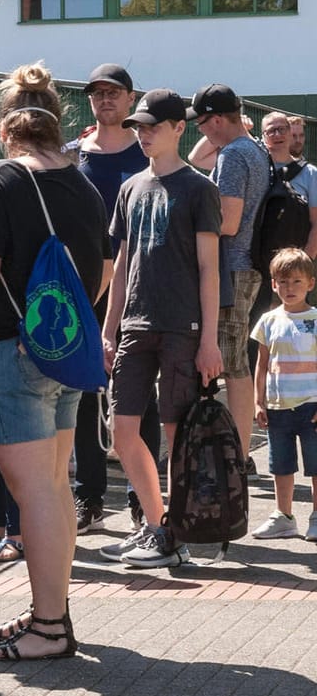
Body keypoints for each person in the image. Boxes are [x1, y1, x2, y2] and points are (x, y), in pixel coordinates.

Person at [0, 62, 111, 661]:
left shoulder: (1, 177)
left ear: (5, 124)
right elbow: (104, 269)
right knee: (54, 490)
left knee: (35, 495)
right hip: (59, 355)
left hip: (6, 355)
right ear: (55, 119)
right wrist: (56, 329)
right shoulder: (84, 183)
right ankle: (52, 613)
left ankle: (48, 627)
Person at [96, 88, 223, 568]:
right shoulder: (131, 188)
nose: (144, 134)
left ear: (178, 129)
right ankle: (154, 525)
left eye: (152, 126)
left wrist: (209, 339)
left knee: (176, 434)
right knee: (122, 428)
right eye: (139, 127)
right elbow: (123, 262)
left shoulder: (199, 188)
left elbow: (211, 270)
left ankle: (171, 534)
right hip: (134, 325)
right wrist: (110, 328)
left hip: (182, 328)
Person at [65, 63, 157, 534]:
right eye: (97, 93)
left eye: (114, 92)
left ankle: (145, 500)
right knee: (82, 390)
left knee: (139, 395)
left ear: (130, 98)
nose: (105, 100)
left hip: (136, 289)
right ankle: (88, 498)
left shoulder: (146, 154)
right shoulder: (72, 153)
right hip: (80, 290)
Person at [188, 84, 272, 468]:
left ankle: (237, 454)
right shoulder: (250, 148)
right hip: (243, 267)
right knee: (233, 359)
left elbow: (230, 220)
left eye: (203, 123)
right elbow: (197, 158)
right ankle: (238, 451)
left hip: (233, 268)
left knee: (232, 363)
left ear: (218, 119)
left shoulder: (236, 155)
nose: (200, 132)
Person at [250, 248, 317, 540]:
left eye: (297, 282)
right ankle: (284, 515)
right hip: (278, 406)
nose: (290, 289)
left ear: (310, 284)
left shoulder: (315, 319)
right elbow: (262, 364)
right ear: (273, 284)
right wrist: (258, 400)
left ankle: (316, 515)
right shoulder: (268, 321)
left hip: (311, 405)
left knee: (315, 463)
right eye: (283, 282)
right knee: (281, 464)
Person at [260, 112, 317, 258]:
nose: (277, 135)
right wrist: (240, 131)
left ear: (289, 133)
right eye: (271, 131)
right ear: (263, 136)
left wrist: (305, 261)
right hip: (258, 260)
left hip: (295, 262)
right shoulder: (255, 167)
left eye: (282, 129)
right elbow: (197, 158)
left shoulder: (310, 173)